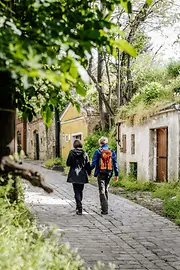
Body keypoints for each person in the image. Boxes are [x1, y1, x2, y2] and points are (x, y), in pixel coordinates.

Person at [90, 136, 118, 215]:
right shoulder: (111, 151)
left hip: (101, 172)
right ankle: (105, 205)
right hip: (109, 172)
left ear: (100, 143)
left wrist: (89, 170)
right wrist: (116, 174)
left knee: (101, 190)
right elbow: (115, 163)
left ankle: (104, 209)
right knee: (106, 188)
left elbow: (94, 163)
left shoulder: (98, 151)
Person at [66, 139, 91, 215]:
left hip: (74, 174)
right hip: (82, 174)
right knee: (80, 190)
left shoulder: (71, 153)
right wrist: (89, 172)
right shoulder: (84, 153)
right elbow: (87, 164)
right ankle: (79, 205)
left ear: (74, 145)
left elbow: (68, 163)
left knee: (76, 191)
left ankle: (79, 207)